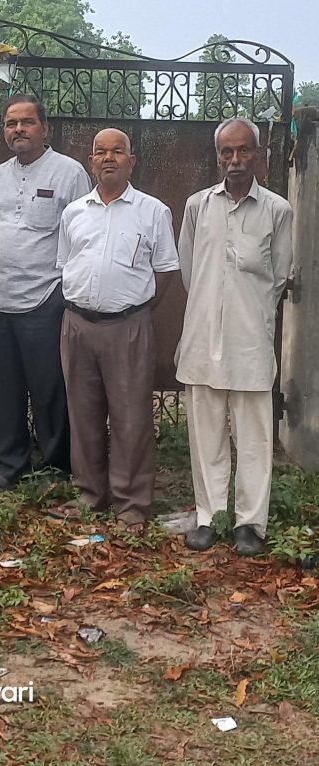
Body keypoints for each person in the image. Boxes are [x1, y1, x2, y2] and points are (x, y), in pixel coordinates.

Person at [176, 117, 293, 555]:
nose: (235, 159)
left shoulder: (277, 210)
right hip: (203, 336)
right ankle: (209, 517)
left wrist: (246, 309)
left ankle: (249, 524)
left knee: (255, 436)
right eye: (227, 151)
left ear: (257, 154)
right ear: (217, 156)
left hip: (250, 341)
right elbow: (190, 271)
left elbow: (279, 277)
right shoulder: (197, 206)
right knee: (205, 434)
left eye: (244, 150)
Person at [57, 128, 180, 533]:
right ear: (91, 161)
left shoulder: (153, 211)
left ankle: (132, 503)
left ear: (132, 161)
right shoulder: (74, 212)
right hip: (77, 325)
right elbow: (66, 264)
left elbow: (165, 271)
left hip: (127, 326)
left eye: (117, 151)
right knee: (83, 414)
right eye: (100, 152)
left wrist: (133, 308)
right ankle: (89, 494)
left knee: (131, 418)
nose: (108, 158)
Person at [0, 95, 91, 490]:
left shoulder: (69, 173)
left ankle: (56, 468)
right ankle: (11, 466)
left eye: (27, 122)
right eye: (11, 123)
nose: (18, 129)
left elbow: (83, 235)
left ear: (45, 128)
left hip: (45, 297)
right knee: (2, 388)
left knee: (50, 388)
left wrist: (67, 291)